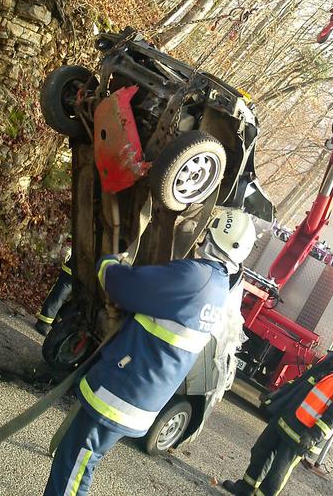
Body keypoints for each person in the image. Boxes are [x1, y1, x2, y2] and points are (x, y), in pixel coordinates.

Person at [43, 208, 256, 496]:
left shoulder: (196, 277)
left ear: (211, 234)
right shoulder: (218, 288)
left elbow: (123, 286)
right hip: (139, 393)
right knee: (79, 460)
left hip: (122, 388)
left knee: (75, 465)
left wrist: (109, 263)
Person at [222, 327, 333, 496]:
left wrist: (314, 435)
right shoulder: (331, 357)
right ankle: (245, 489)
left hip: (303, 432)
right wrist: (277, 396)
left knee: (278, 471)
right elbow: (301, 381)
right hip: (286, 415)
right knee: (260, 450)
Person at [35, 236, 73, 336]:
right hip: (73, 266)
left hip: (90, 275)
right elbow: (79, 232)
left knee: (80, 302)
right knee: (59, 294)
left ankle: (57, 320)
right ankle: (43, 323)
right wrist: (69, 246)